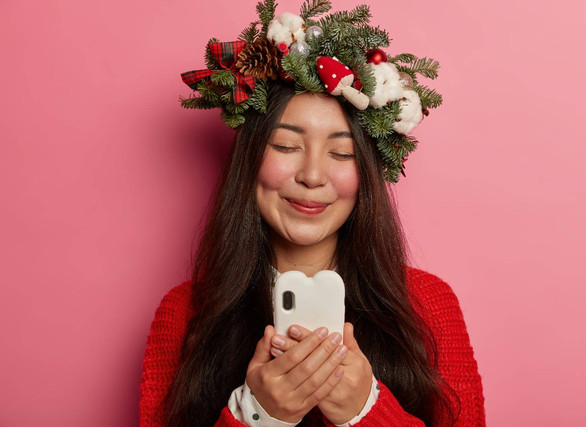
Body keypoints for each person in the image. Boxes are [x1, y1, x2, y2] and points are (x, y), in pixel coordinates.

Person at [140, 2, 485, 426]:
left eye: (341, 153)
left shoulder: (428, 304)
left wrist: (364, 410)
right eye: (286, 146)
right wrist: (258, 415)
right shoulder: (184, 312)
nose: (313, 175)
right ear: (249, 160)